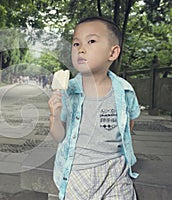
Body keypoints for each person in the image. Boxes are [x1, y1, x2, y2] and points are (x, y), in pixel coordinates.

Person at [48, 16, 140, 200]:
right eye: (76, 44)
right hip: (77, 170)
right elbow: (59, 136)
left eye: (91, 41)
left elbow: (128, 127)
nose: (81, 49)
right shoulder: (68, 92)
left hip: (116, 170)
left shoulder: (125, 91)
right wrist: (54, 117)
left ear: (112, 53)